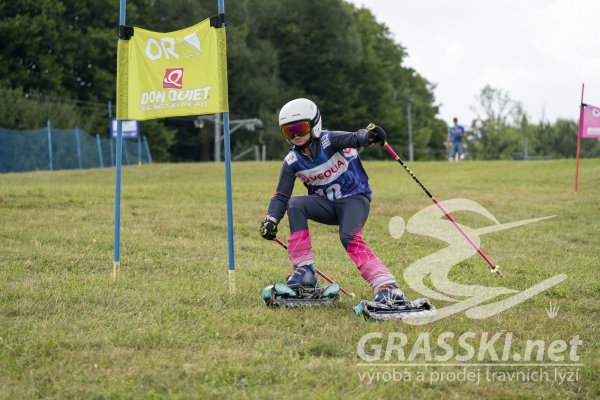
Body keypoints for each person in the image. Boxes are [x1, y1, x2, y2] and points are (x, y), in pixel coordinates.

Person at [259, 98, 405, 303]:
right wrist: (271, 220)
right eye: (288, 132)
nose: (295, 136)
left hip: (354, 199)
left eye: (300, 128)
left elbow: (356, 138)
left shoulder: (331, 140)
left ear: (314, 124)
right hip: (326, 206)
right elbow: (281, 196)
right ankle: (305, 272)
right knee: (295, 204)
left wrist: (370, 135)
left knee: (349, 237)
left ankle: (387, 285)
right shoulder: (292, 160)